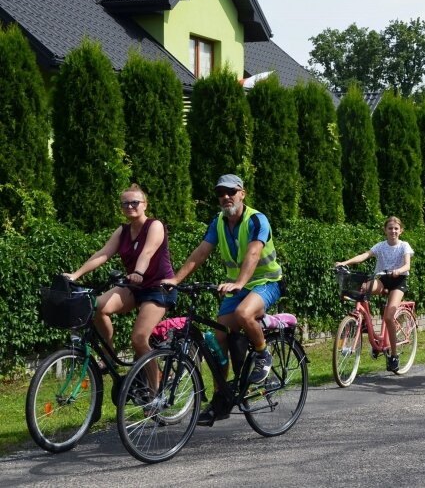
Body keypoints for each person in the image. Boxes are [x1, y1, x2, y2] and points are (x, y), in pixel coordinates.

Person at [166, 174, 283, 425]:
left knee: (243, 314)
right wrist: (176, 280)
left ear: (243, 193)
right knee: (219, 338)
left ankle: (263, 354)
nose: (226, 197)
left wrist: (240, 282)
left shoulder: (256, 219)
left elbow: (253, 253)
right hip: (237, 288)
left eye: (231, 191)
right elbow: (201, 252)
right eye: (221, 193)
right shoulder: (218, 221)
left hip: (266, 283)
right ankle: (222, 400)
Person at [64, 184, 177, 385]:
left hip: (158, 288)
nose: (130, 206)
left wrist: (138, 272)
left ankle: (155, 388)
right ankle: (109, 355)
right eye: (125, 203)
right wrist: (75, 275)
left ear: (145, 205)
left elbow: (147, 252)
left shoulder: (155, 225)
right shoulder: (123, 230)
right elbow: (103, 254)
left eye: (135, 202)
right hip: (135, 286)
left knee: (139, 339)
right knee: (97, 306)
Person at [335, 216, 413, 372]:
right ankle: (362, 321)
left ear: (401, 231)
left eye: (396, 228)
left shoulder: (404, 246)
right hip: (383, 279)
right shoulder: (381, 246)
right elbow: (364, 256)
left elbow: (407, 264)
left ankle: (394, 356)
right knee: (363, 287)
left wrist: (399, 270)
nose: (393, 231)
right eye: (390, 228)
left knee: (389, 316)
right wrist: (345, 263)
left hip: (399, 281)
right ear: (385, 230)